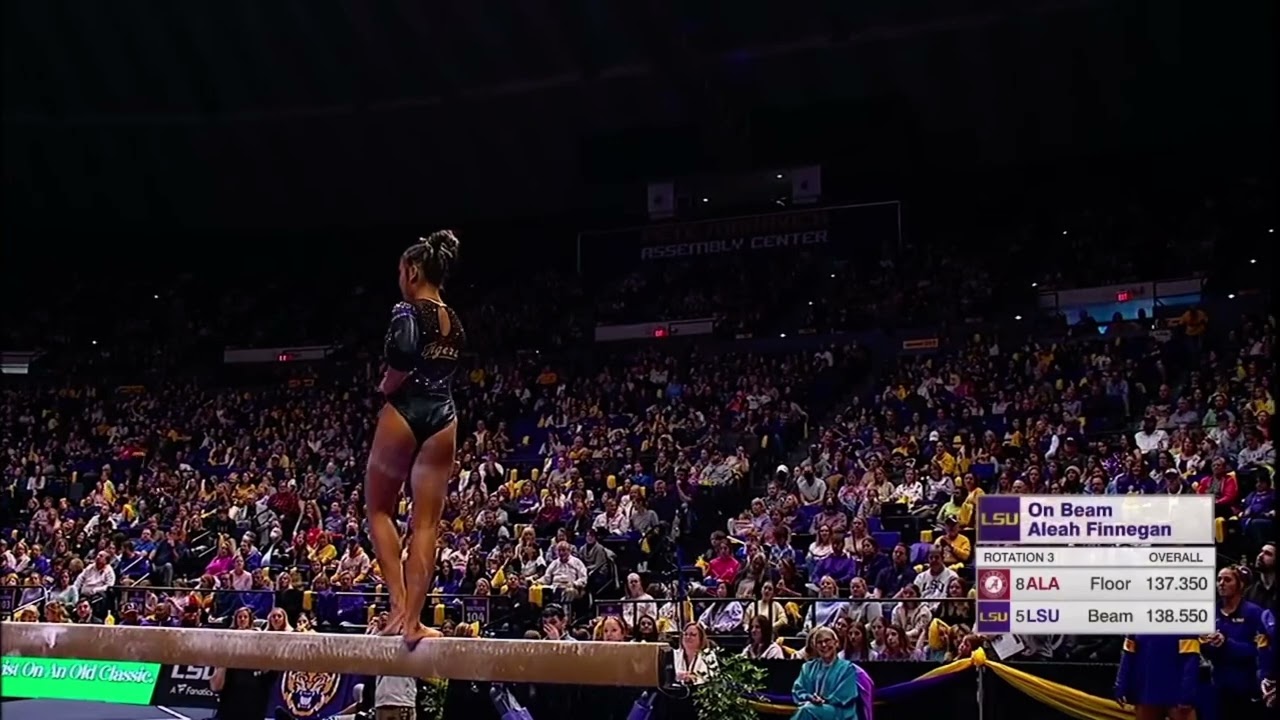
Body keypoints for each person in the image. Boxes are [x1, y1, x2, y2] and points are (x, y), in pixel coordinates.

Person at [365, 231, 465, 646]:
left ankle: (398, 607)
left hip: (405, 411)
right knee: (426, 524)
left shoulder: (408, 310)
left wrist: (387, 386)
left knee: (379, 510)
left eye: (400, 272)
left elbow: (402, 356)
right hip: (443, 418)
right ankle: (414, 623)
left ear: (413, 271)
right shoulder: (454, 321)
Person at [1115, 635, 1200, 720]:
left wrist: (1187, 694)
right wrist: (1120, 684)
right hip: (1146, 690)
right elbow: (1128, 652)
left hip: (1176, 690)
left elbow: (1190, 658)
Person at [791, 626, 863, 720]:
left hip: (839, 712)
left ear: (836, 643)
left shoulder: (847, 668)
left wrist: (823, 700)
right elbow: (798, 690)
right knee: (807, 709)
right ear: (815, 646)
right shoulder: (808, 667)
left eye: (827, 640)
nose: (824, 645)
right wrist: (810, 698)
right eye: (819, 642)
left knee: (807, 710)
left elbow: (845, 695)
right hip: (812, 707)